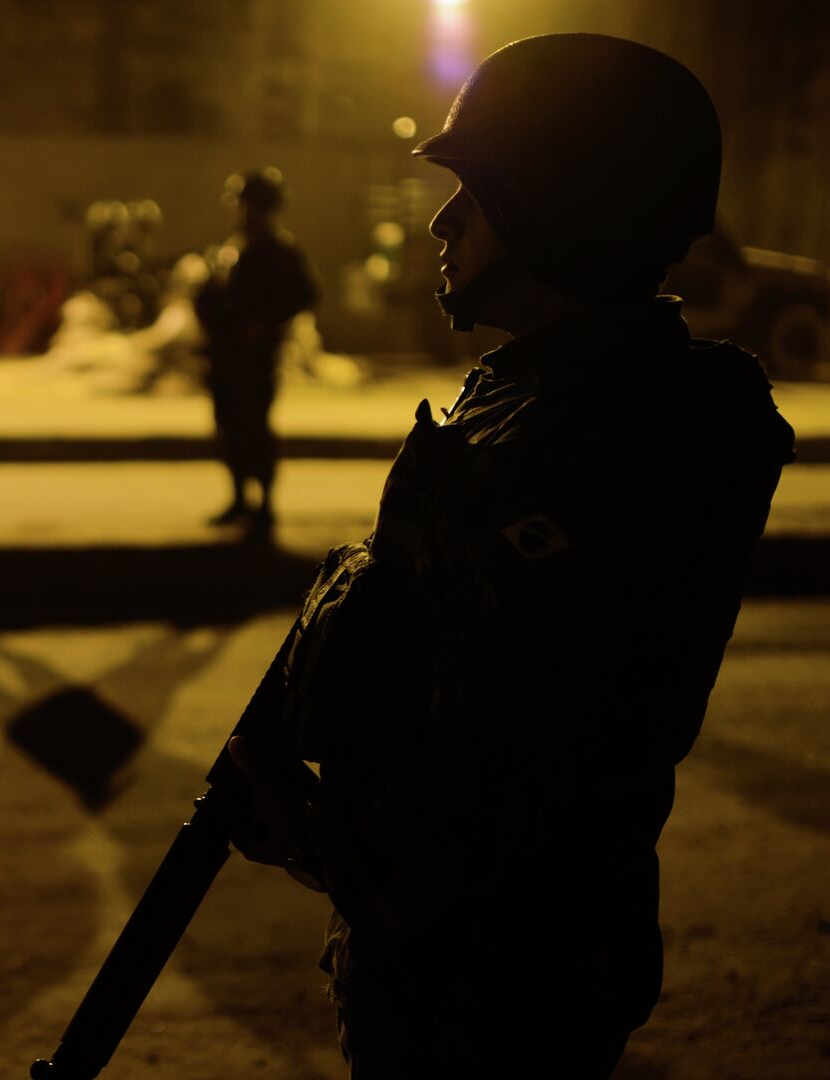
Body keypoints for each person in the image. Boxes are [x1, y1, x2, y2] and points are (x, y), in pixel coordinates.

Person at [220, 34, 796, 1076]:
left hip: (496, 985)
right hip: (449, 964)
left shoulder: (606, 440)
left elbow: (505, 792)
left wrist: (300, 832)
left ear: (561, 211)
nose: (443, 222)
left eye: (476, 194)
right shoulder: (538, 395)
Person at [193, 167, 316, 532]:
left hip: (256, 358)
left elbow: (305, 294)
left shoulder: (279, 250)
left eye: (248, 204)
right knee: (229, 426)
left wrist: (267, 324)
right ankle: (239, 500)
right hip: (226, 354)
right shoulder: (232, 248)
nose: (242, 212)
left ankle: (263, 506)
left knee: (255, 428)